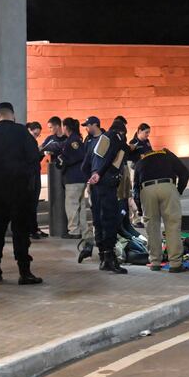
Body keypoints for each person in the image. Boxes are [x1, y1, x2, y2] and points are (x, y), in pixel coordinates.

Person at [0, 102, 43, 285]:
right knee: (20, 232)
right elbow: (34, 158)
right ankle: (24, 272)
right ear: (13, 115)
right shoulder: (22, 133)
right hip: (20, 191)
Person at [133, 149, 189, 273]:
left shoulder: (140, 162)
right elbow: (184, 172)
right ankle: (175, 264)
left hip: (146, 190)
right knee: (172, 225)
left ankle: (155, 262)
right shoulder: (167, 154)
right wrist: (178, 190)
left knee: (152, 227)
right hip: (167, 187)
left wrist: (139, 208)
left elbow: (135, 189)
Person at [88, 118, 129, 274]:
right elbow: (112, 155)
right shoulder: (116, 137)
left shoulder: (97, 140)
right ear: (122, 131)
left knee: (98, 220)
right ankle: (110, 259)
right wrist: (99, 174)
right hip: (106, 184)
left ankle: (103, 257)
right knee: (109, 220)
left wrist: (91, 176)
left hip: (95, 186)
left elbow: (86, 162)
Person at [59, 118, 92, 243]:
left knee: (72, 205)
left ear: (66, 127)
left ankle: (74, 231)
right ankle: (84, 230)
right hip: (80, 178)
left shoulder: (72, 141)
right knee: (80, 206)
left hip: (74, 178)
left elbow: (79, 156)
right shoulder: (76, 138)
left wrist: (64, 160)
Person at [78, 116, 103, 263]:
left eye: (88, 125)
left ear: (95, 125)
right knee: (95, 217)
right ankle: (96, 248)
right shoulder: (88, 140)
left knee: (103, 217)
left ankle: (103, 250)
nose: (86, 128)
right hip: (92, 183)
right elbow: (85, 161)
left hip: (103, 182)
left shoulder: (105, 139)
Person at [26, 122, 47, 240]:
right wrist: (41, 153)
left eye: (37, 135)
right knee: (31, 203)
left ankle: (33, 228)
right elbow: (33, 159)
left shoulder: (29, 140)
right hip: (31, 175)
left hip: (33, 174)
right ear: (29, 129)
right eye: (35, 134)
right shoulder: (29, 141)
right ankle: (32, 229)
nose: (36, 137)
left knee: (33, 203)